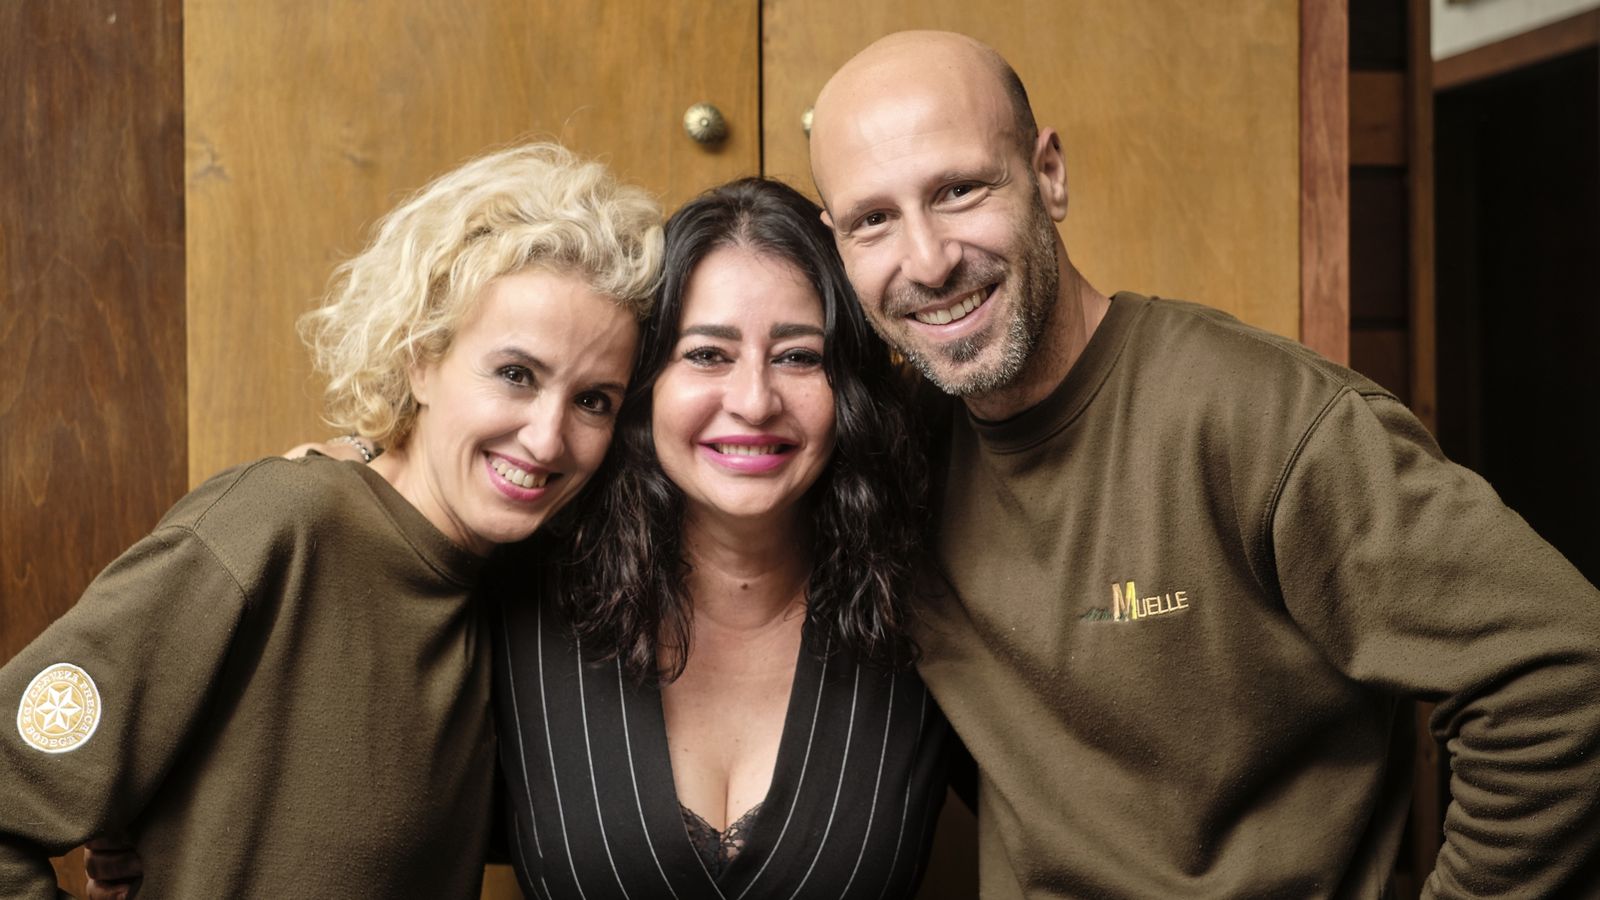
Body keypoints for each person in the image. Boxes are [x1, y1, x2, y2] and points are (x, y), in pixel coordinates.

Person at [806, 30, 1600, 898]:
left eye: (959, 190)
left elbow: (1565, 677)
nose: (927, 261)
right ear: (838, 246)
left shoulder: (1266, 420)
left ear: (1049, 175)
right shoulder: (888, 462)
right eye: (873, 220)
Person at [0, 142, 661, 899]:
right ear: (420, 357)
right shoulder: (276, 526)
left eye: (593, 401)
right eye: (515, 374)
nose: (546, 439)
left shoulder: (526, 596)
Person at [489, 177, 956, 898]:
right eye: (708, 354)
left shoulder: (933, 605)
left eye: (799, 356)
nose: (754, 402)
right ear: (644, 384)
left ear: (851, 388)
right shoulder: (513, 588)